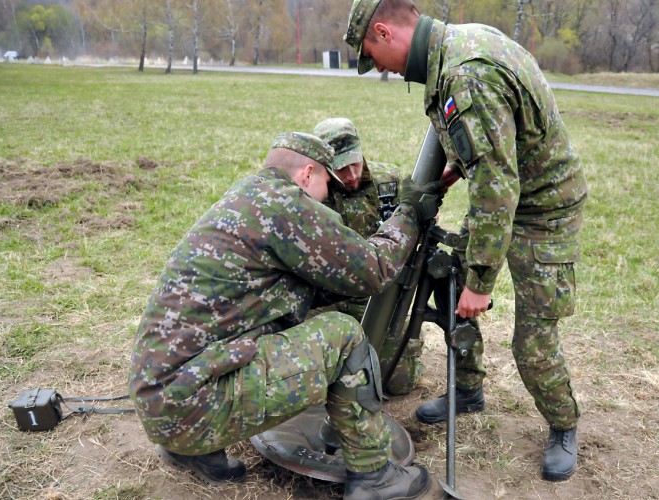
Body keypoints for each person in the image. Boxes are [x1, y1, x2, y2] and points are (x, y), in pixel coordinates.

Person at [343, 0, 589, 482]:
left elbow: (500, 186)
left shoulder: (464, 74)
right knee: (451, 291)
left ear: (384, 31)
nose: (383, 72)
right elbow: (496, 146)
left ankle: (564, 425)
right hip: (508, 192)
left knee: (533, 339)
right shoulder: (457, 46)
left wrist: (482, 280)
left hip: (543, 211)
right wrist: (463, 164)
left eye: (374, 57)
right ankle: (469, 390)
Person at [128, 131, 444, 499]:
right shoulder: (286, 205)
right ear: (308, 173)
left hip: (159, 401)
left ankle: (190, 449)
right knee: (342, 335)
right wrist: (408, 213)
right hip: (195, 407)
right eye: (328, 182)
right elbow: (372, 268)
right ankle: (374, 476)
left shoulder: (247, 196)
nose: (330, 194)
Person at [312, 117, 422, 397]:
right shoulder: (312, 193)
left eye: (354, 163)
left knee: (397, 384)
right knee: (317, 383)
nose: (350, 175)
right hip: (330, 296)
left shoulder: (390, 181)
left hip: (378, 293)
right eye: (340, 169)